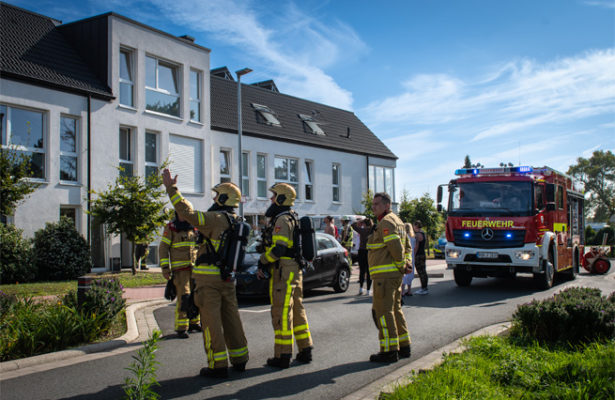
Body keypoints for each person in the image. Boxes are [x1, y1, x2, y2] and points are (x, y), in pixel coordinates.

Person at [162, 168, 249, 379]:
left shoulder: (215, 218)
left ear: (222, 198)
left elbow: (187, 213)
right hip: (227, 279)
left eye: (215, 195)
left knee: (211, 323)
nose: (213, 199)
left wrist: (171, 188)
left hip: (208, 282)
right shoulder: (236, 220)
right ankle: (240, 359)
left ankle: (217, 365)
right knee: (232, 319)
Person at [257, 183, 313, 369]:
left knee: (281, 312)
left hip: (284, 271)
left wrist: (263, 260)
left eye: (274, 196)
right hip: (294, 269)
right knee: (297, 310)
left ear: (281, 198)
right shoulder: (292, 217)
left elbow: (279, 249)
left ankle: (282, 355)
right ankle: (305, 349)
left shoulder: (281, 220)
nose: (271, 199)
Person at [366, 192, 411, 363]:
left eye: (377, 204)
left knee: (383, 313)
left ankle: (389, 350)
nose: (373, 207)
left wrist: (401, 265)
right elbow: (407, 247)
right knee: (396, 310)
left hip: (384, 276)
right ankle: (404, 345)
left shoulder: (386, 222)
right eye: (373, 204)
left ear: (387, 206)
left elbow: (397, 247)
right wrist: (406, 265)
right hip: (393, 275)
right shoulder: (398, 221)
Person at [159, 212, 201, 338]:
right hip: (180, 271)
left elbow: (198, 246)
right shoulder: (171, 228)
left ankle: (194, 322)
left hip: (194, 269)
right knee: (184, 297)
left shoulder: (193, 227)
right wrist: (166, 269)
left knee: (196, 296)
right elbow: (163, 248)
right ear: (178, 214)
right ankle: (181, 328)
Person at [352, 217, 373, 295]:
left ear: (364, 223)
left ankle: (360, 288)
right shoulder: (372, 230)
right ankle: (368, 290)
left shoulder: (361, 230)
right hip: (369, 251)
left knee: (362, 271)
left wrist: (358, 221)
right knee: (369, 271)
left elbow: (353, 225)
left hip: (361, 251)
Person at [413, 221, 430, 295]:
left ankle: (423, 288)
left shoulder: (417, 235)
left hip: (418, 255)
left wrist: (414, 254)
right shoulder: (423, 233)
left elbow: (416, 246)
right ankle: (425, 287)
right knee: (423, 271)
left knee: (420, 271)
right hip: (423, 254)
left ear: (416, 226)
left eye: (414, 225)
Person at [401, 223, 416, 298]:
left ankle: (402, 291)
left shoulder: (404, 237)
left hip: (405, 256)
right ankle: (409, 290)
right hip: (412, 256)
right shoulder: (413, 237)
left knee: (404, 273)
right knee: (410, 272)